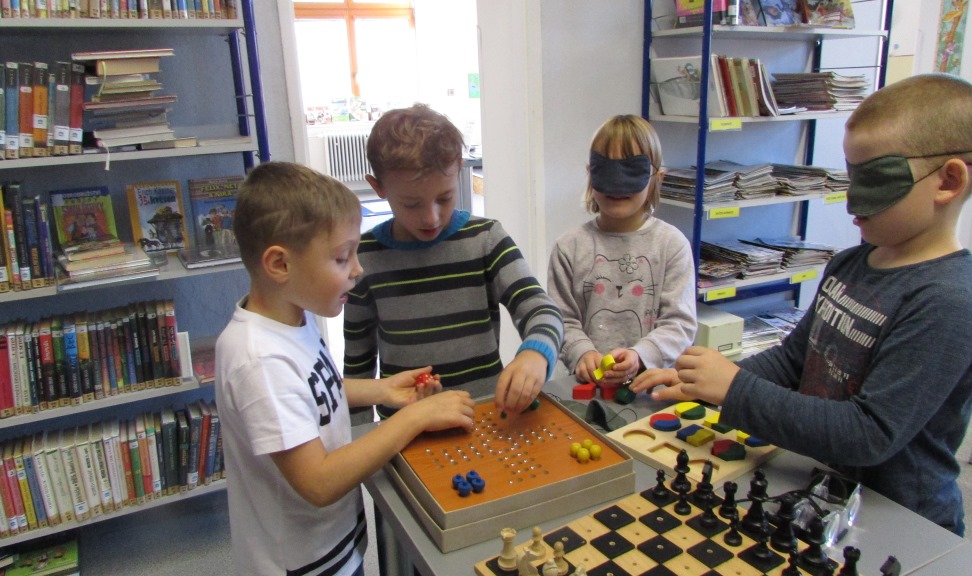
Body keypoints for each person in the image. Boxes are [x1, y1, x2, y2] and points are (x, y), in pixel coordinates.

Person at [631, 73, 972, 535]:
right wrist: (704, 383)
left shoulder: (950, 301)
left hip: (900, 519)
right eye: (851, 175)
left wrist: (735, 390)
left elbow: (868, 433)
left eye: (874, 179)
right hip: (821, 489)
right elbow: (793, 360)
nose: (850, 199)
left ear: (948, 180)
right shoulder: (850, 264)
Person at [216, 161, 476, 576]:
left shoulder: (288, 319)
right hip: (301, 565)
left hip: (332, 543)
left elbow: (311, 389)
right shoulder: (259, 360)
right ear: (280, 265)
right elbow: (318, 483)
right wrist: (414, 418)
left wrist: (381, 390)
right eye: (341, 258)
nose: (357, 269)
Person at [343, 104, 564, 421]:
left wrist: (535, 353)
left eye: (444, 198)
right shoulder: (363, 257)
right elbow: (358, 364)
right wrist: (358, 435)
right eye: (411, 203)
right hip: (404, 428)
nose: (431, 217)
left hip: (483, 417)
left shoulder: (486, 239)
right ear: (378, 187)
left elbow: (541, 309)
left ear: (459, 168)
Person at [547, 114, 697, 392]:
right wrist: (581, 352)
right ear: (590, 174)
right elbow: (561, 319)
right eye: (605, 169)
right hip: (585, 388)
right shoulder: (569, 247)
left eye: (630, 169)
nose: (617, 183)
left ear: (657, 178)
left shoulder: (671, 245)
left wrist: (642, 355)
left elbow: (679, 323)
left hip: (651, 390)